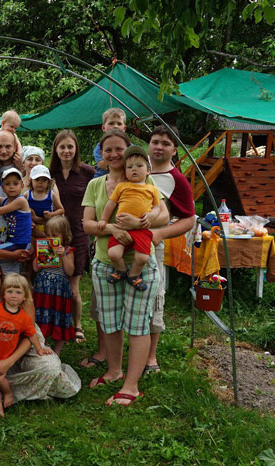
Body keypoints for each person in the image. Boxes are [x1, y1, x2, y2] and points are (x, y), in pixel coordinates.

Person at [81, 129, 169, 407]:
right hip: (107, 264)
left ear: (129, 152)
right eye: (108, 150)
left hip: (141, 264)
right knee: (109, 322)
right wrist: (112, 229)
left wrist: (145, 220)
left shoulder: (145, 177)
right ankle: (114, 370)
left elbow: (164, 215)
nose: (114, 154)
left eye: (120, 149)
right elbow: (86, 224)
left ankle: (131, 386)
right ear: (102, 156)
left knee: (138, 324)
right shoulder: (96, 185)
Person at [0, 255, 81, 409]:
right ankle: (31, 385)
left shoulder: (18, 292)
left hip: (26, 345)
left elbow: (29, 335)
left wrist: (8, 363)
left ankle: (5, 388)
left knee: (51, 368)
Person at [146, 125, 196, 375]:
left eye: (166, 143)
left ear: (174, 150)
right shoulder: (136, 168)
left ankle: (151, 357)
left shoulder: (177, 180)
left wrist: (161, 233)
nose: (159, 147)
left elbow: (189, 219)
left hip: (153, 248)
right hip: (124, 244)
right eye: (155, 141)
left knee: (154, 298)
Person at [0, 273, 53, 417]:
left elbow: (31, 334)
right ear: (3, 294)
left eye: (18, 292)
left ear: (24, 297)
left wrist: (39, 348)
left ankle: (8, 393)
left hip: (5, 356)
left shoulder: (24, 318)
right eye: (10, 291)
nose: (13, 295)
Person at [49, 129, 95, 344]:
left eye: (70, 146)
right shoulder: (49, 173)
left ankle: (77, 325)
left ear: (75, 149)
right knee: (53, 280)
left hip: (78, 232)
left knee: (74, 285)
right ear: (56, 150)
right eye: (62, 147)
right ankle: (55, 321)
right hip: (53, 233)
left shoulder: (87, 172)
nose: (66, 151)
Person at [98, 146, 162, 290]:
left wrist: (151, 215)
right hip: (121, 228)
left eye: (139, 166)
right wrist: (104, 219)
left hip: (141, 229)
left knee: (142, 258)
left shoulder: (152, 188)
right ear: (125, 171)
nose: (134, 169)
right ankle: (121, 271)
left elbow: (157, 207)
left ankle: (133, 275)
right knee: (113, 253)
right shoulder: (122, 186)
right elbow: (110, 204)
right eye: (129, 167)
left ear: (148, 170)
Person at [33, 216, 75, 356]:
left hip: (59, 290)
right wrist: (40, 256)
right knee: (41, 317)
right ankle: (42, 345)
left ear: (64, 235)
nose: (51, 238)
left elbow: (70, 271)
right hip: (43, 289)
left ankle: (57, 352)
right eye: (48, 235)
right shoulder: (45, 247)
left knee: (59, 317)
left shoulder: (68, 251)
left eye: (55, 235)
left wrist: (63, 256)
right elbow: (35, 268)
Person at [26, 165, 64, 236]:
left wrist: (52, 214)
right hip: (32, 227)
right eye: (37, 179)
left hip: (48, 226)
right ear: (30, 180)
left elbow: (61, 210)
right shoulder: (27, 195)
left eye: (44, 180)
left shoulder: (51, 195)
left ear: (48, 182)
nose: (40, 182)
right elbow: (21, 210)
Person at [93, 108, 128, 178]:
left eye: (119, 123)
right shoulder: (99, 147)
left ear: (124, 128)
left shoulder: (130, 146)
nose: (115, 126)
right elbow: (102, 164)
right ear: (103, 128)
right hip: (103, 178)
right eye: (111, 123)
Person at [0, 129, 24, 197]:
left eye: (8, 147)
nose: (3, 151)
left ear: (14, 148)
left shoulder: (20, 165)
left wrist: (21, 169)